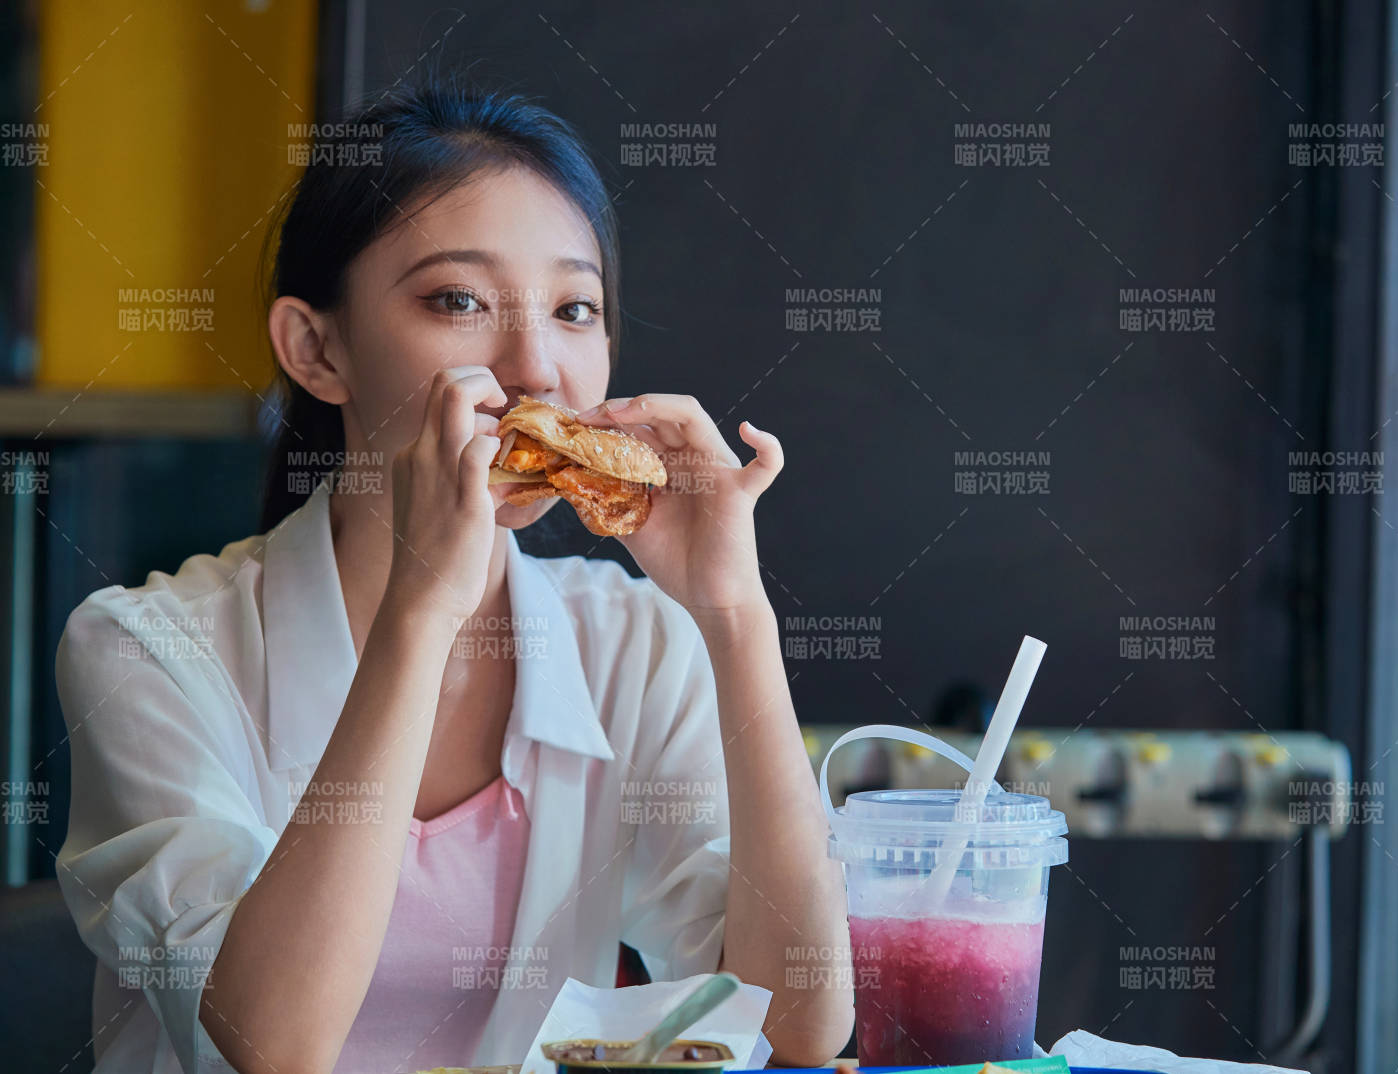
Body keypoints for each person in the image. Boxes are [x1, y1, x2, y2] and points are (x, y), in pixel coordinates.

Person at [53, 74, 853, 1074]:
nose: (534, 370)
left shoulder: (635, 644)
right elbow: (270, 1043)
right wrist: (423, 606)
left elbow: (795, 1031)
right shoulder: (143, 649)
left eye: (573, 308)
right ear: (316, 348)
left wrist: (733, 616)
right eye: (458, 300)